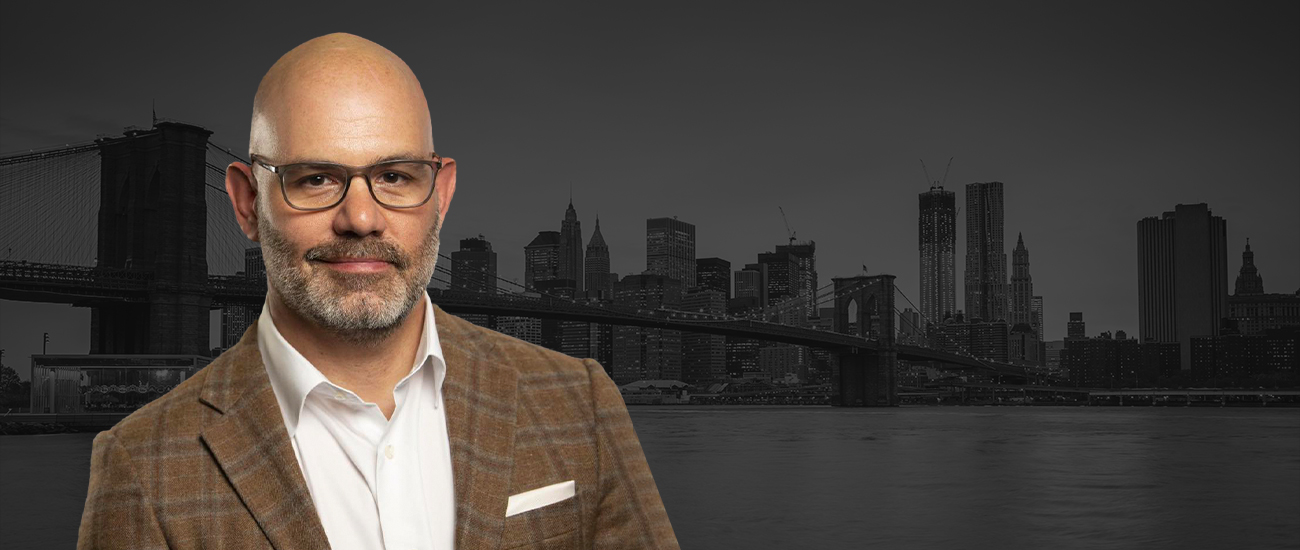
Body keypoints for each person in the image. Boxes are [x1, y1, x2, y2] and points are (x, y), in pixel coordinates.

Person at [77, 32, 679, 550]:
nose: (361, 219)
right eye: (316, 179)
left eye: (394, 176)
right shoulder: (141, 467)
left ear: (441, 195)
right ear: (246, 202)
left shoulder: (579, 403)